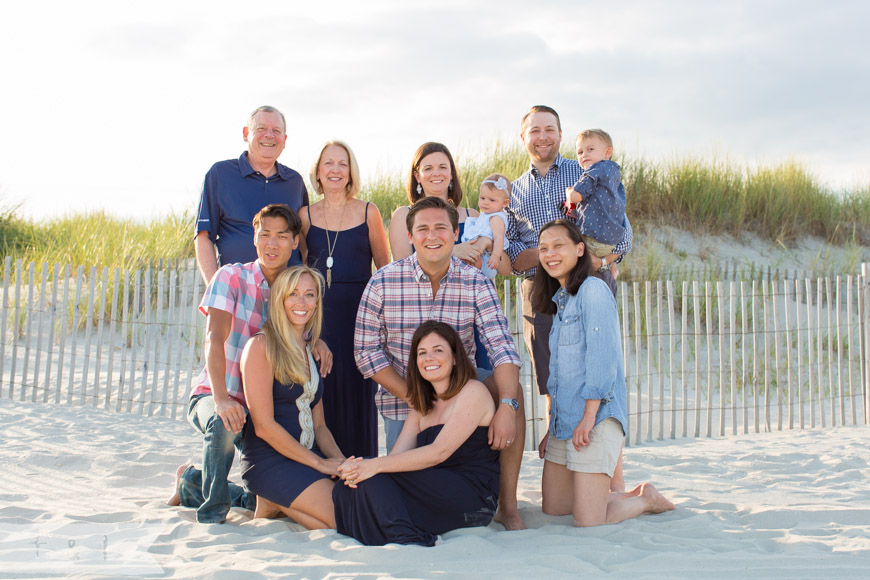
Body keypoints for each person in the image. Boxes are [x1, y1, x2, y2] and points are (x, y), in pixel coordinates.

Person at [354, 196, 527, 530]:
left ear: (454, 233)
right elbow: (366, 352)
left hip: (460, 398)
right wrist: (416, 396)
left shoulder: (475, 281)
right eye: (423, 229)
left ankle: (509, 507)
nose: (432, 235)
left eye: (441, 228)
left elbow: (502, 346)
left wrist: (506, 405)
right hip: (404, 401)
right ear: (410, 236)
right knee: (403, 481)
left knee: (512, 390)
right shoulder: (383, 282)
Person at [166, 204, 332, 524]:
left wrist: (317, 341)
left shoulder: (292, 289)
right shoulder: (231, 277)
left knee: (265, 499)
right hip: (216, 395)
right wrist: (221, 399)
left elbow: (299, 334)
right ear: (253, 238)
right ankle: (212, 514)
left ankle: (191, 483)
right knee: (224, 422)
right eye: (265, 234)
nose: (272, 243)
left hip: (261, 409)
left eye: (282, 236)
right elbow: (214, 339)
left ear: (295, 241)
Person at [506, 105, 632, 490]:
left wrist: (603, 259)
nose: (542, 136)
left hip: (587, 280)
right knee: (551, 379)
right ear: (523, 137)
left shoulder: (587, 171)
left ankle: (613, 483)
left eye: (550, 129)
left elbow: (622, 230)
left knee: (599, 374)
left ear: (560, 134)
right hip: (539, 291)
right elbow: (510, 249)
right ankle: (562, 464)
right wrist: (541, 256)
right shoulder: (514, 189)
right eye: (534, 130)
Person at [531, 219, 675, 527]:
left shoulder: (593, 290)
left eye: (559, 246)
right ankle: (617, 494)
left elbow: (602, 358)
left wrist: (588, 416)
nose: (550, 254)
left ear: (580, 249)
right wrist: (552, 426)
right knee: (555, 509)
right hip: (564, 421)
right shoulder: (562, 300)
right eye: (544, 248)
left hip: (594, 417)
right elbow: (561, 374)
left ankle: (645, 499)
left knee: (588, 522)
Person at [334, 321, 499, 546]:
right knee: (350, 486)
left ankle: (407, 536)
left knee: (375, 474)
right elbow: (395, 458)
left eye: (438, 350)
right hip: (432, 489)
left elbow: (438, 453)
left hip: (472, 498)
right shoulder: (422, 406)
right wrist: (361, 468)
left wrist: (375, 466)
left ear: (455, 358)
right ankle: (388, 532)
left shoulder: (472, 391)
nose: (428, 358)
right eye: (422, 353)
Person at [300, 141, 390, 458]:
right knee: (323, 391)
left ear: (350, 171)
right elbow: (299, 275)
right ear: (318, 171)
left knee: (359, 396)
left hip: (361, 320)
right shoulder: (306, 215)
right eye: (329, 163)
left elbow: (384, 270)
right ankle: (326, 475)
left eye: (342, 163)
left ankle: (362, 474)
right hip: (321, 321)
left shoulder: (368, 211)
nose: (336, 170)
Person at [239, 266, 345, 530]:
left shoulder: (310, 349)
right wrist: (319, 464)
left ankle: (274, 503)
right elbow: (264, 426)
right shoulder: (261, 347)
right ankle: (270, 497)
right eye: (293, 294)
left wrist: (343, 464)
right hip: (270, 461)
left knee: (347, 510)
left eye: (310, 295)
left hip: (306, 456)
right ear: (280, 299)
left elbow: (319, 427)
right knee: (341, 521)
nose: (302, 302)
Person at [388, 142, 510, 371]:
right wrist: (454, 251)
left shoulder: (473, 216)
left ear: (451, 174)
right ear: (417, 176)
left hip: (471, 318)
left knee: (479, 388)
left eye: (443, 167)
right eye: (428, 168)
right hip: (424, 317)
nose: (436, 173)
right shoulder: (403, 215)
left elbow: (502, 269)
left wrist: (489, 244)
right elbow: (402, 268)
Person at [194, 105, 309, 284]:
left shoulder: (295, 182)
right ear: (246, 133)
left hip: (286, 295)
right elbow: (203, 237)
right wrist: (214, 292)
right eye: (261, 128)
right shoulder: (220, 174)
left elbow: (303, 239)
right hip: (236, 292)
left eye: (276, 131)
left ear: (284, 140)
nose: (269, 135)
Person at [564, 129, 626, 260]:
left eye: (590, 149)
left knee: (568, 256)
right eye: (580, 152)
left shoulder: (594, 170)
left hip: (594, 237)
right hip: (611, 239)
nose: (584, 155)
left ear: (607, 152)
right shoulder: (613, 171)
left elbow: (576, 196)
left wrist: (569, 192)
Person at [460, 174, 511, 279]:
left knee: (470, 262)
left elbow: (499, 238)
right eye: (482, 198)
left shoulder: (496, 218)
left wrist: (496, 255)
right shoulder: (486, 215)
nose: (485, 203)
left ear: (505, 203)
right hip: (481, 255)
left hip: (486, 259)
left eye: (492, 200)